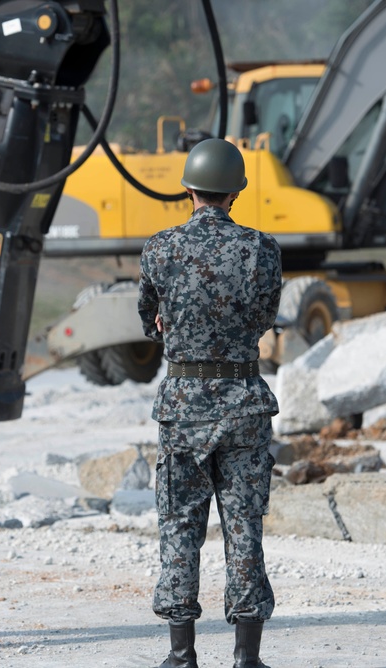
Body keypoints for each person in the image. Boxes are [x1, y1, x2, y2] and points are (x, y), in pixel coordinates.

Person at [137, 138, 282, 668]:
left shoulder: (159, 247)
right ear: (235, 191)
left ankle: (181, 655)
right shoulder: (262, 248)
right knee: (244, 526)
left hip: (182, 408)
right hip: (244, 402)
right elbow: (265, 315)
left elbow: (147, 318)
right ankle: (247, 658)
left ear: (188, 189)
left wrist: (173, 327)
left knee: (179, 524)